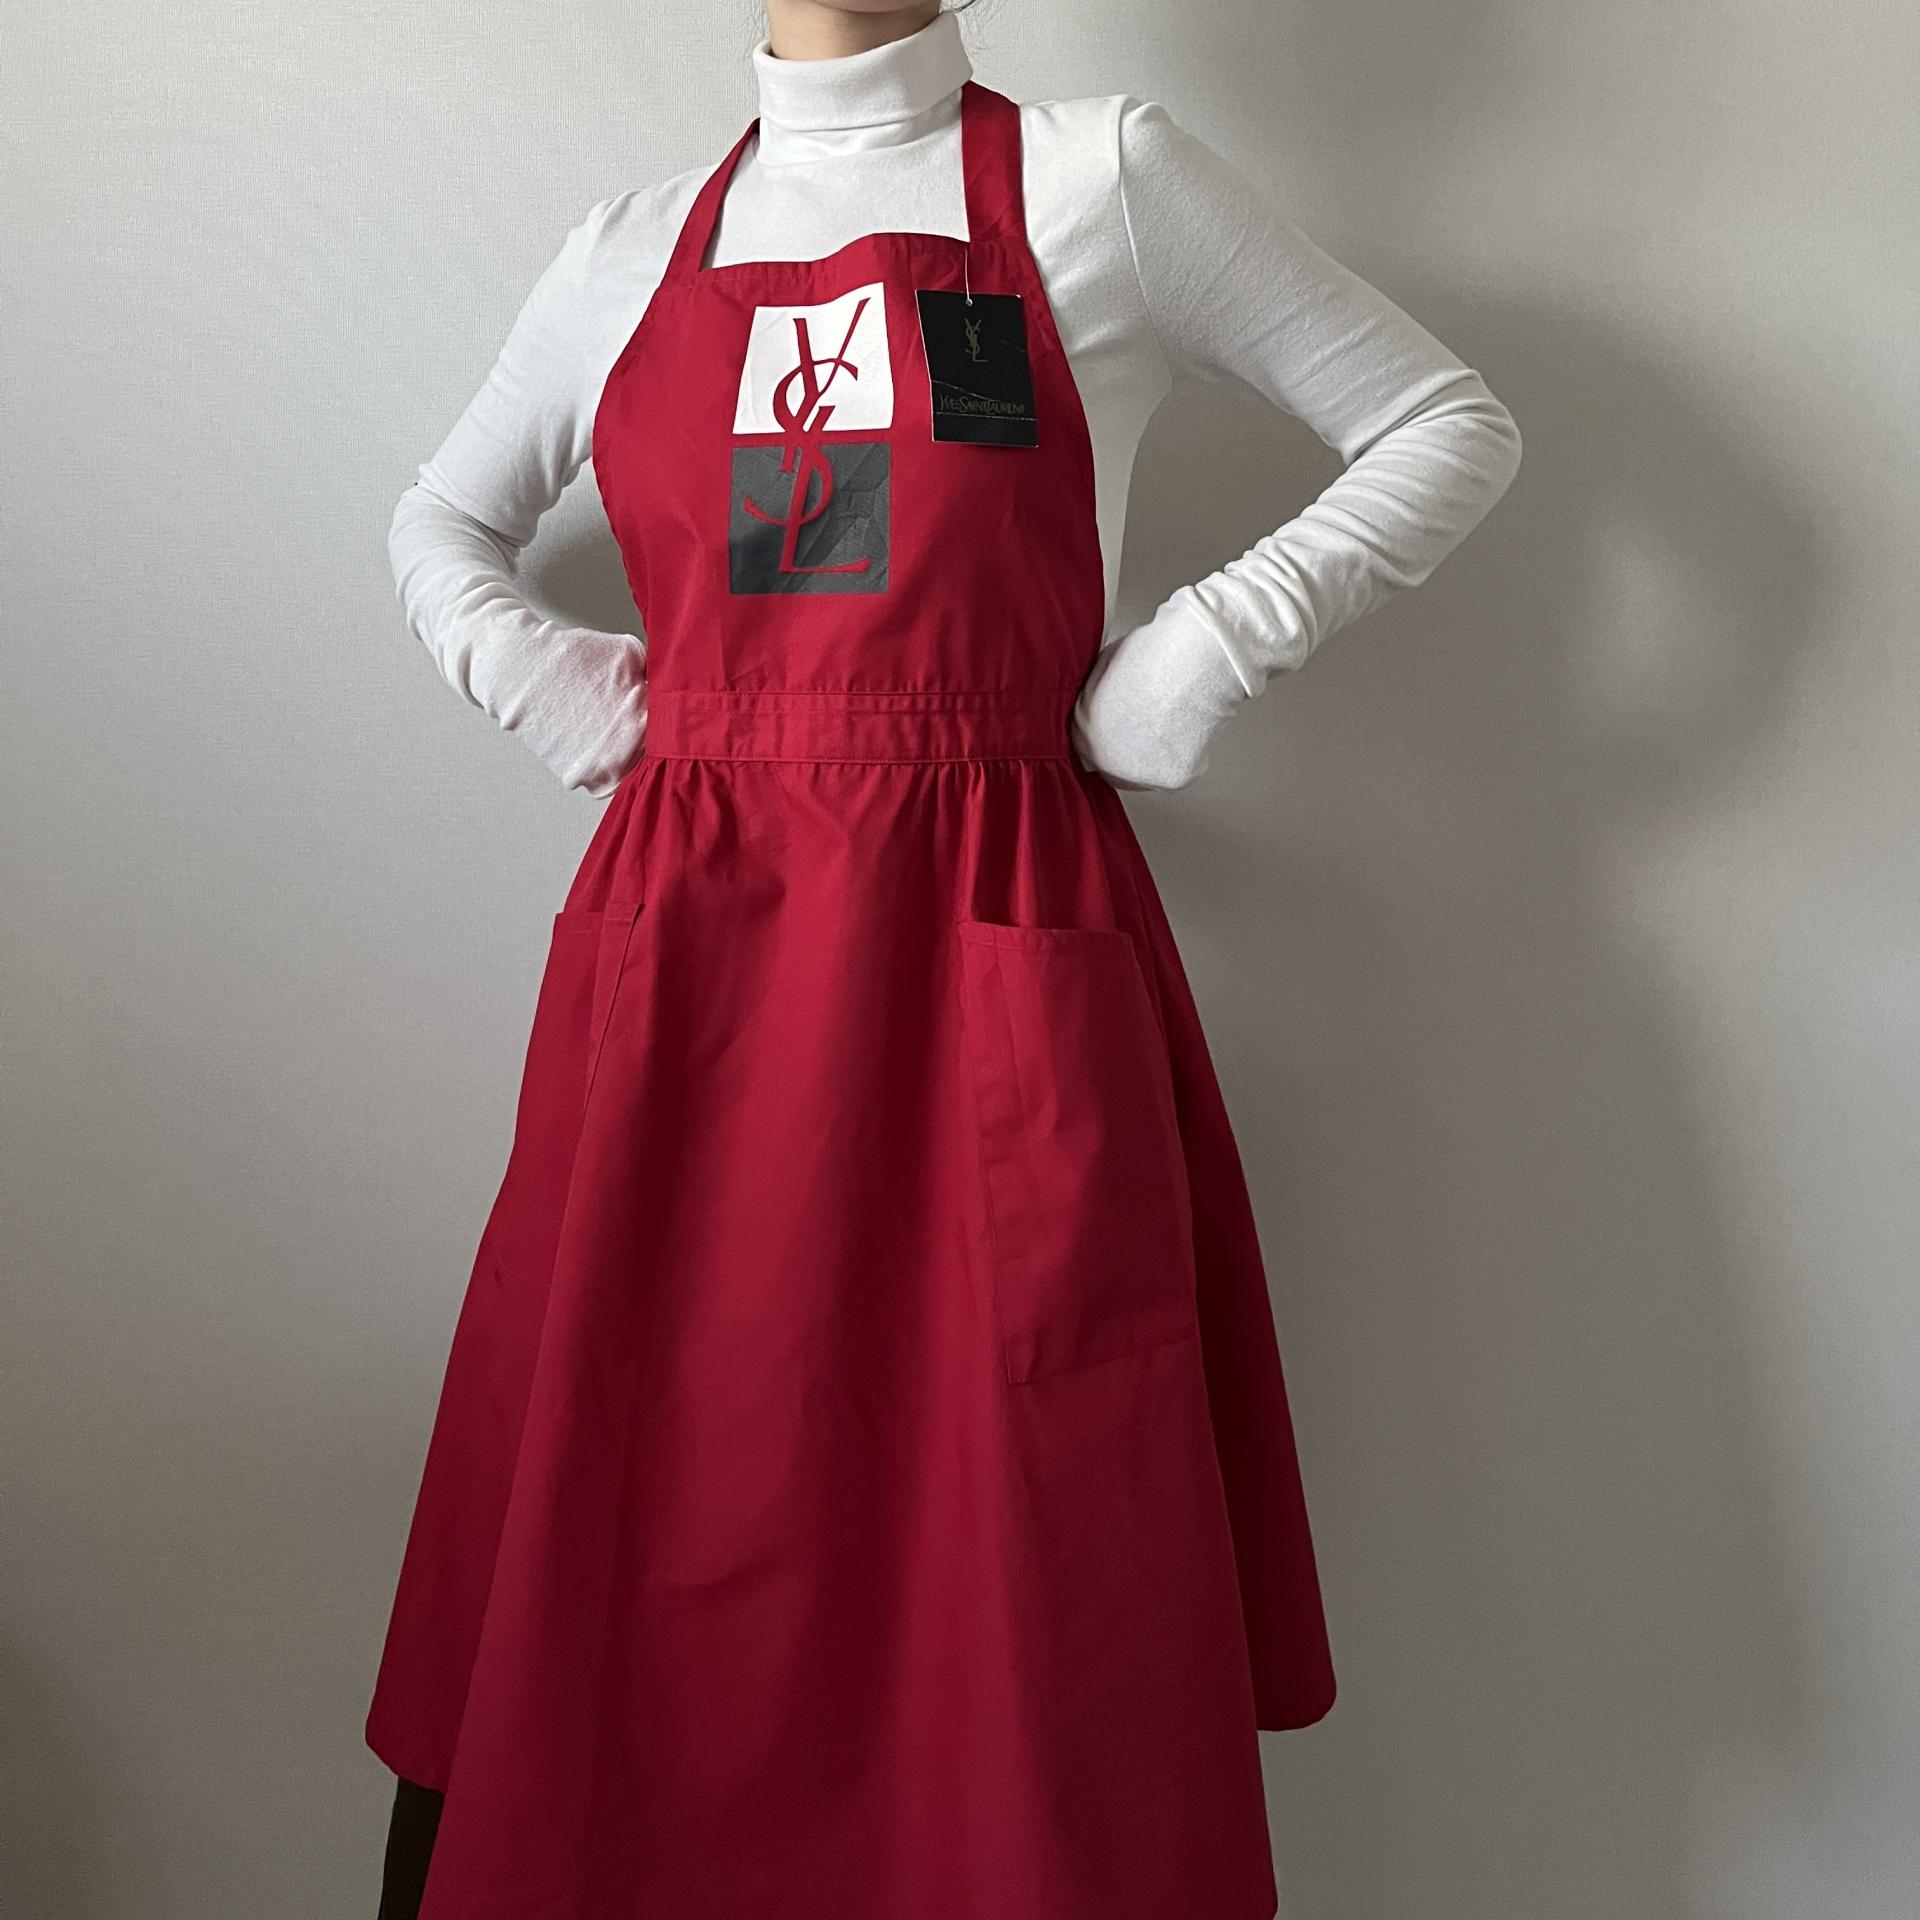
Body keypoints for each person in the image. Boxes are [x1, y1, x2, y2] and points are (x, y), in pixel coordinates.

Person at [368, 3, 1522, 1916]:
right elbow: (441, 519)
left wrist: (1203, 647)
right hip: (692, 970)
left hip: (994, 942)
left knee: (1023, 1516)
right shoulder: (629, 251)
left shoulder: (1103, 181)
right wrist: (552, 682)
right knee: (645, 1474)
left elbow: (1444, 422)